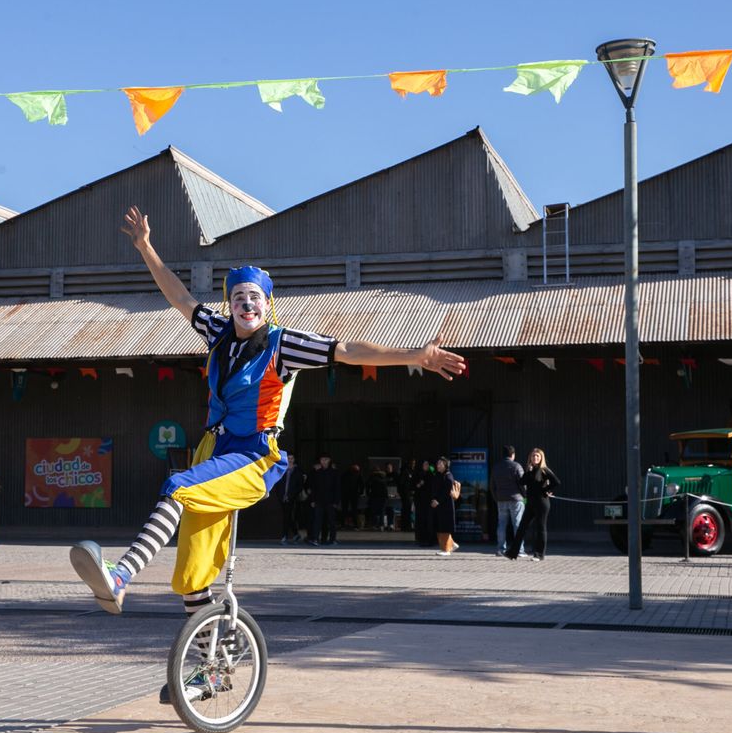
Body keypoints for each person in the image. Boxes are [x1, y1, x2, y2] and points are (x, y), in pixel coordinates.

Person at [70, 205, 464, 620]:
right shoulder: (218, 333)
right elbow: (179, 296)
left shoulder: (284, 344)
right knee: (192, 570)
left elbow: (348, 351)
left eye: (254, 297)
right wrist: (146, 247)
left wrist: (416, 354)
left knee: (177, 486)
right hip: (213, 451)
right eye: (238, 297)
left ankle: (122, 575)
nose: (246, 304)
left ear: (267, 303)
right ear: (230, 304)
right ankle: (206, 669)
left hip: (252, 456)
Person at [506, 448, 560, 561]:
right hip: (530, 503)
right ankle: (512, 553)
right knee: (522, 527)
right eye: (533, 456)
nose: (535, 458)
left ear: (541, 458)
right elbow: (522, 482)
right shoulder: (530, 470)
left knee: (540, 527)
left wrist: (546, 490)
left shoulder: (544, 470)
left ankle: (539, 555)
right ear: (530, 458)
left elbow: (556, 482)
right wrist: (528, 472)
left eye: (537, 456)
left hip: (542, 503)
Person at [490, 445, 526, 557]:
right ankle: (519, 550)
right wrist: (525, 496)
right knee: (518, 524)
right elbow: (523, 484)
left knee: (501, 524)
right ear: (513, 454)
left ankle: (500, 549)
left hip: (501, 499)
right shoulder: (516, 466)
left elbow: (492, 485)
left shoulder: (496, 467)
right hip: (516, 499)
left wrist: (496, 497)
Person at [308, 455, 341, 545]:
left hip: (331, 501)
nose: (324, 461)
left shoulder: (334, 472)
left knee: (331, 521)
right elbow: (313, 487)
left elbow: (337, 487)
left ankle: (332, 539)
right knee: (317, 521)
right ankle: (315, 539)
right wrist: (312, 500)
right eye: (322, 459)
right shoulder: (317, 472)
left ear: (329, 460)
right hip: (319, 500)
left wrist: (336, 501)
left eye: (326, 459)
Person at [430, 457, 459, 555]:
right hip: (440, 506)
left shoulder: (448, 476)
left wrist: (437, 501)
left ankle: (446, 550)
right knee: (440, 527)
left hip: (446, 506)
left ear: (445, 465)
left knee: (445, 527)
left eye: (440, 464)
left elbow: (446, 492)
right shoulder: (439, 475)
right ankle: (451, 544)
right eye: (437, 463)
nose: (438, 465)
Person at [273, 453, 303, 544]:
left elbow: (300, 485)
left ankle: (284, 536)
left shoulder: (297, 471)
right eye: (288, 458)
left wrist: (293, 495)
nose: (290, 460)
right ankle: (295, 534)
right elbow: (277, 483)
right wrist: (279, 494)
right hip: (282, 497)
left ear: (294, 459)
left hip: (292, 498)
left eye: (291, 458)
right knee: (288, 517)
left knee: (287, 517)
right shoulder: (282, 469)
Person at [413, 460, 435, 546]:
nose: (425, 466)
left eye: (427, 464)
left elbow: (433, 487)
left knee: (429, 520)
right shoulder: (418, 474)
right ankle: (421, 539)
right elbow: (413, 486)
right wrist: (418, 485)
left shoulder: (431, 475)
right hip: (420, 501)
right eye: (424, 464)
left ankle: (429, 539)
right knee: (420, 520)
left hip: (429, 501)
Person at [340, 463, 364, 530]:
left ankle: (343, 525)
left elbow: (340, 483)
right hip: (353, 494)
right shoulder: (358, 474)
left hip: (346, 494)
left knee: (345, 509)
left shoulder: (345, 474)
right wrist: (360, 492)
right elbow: (361, 484)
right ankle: (355, 525)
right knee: (353, 510)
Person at [399, 458, 417, 532]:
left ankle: (406, 526)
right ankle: (406, 526)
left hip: (409, 493)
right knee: (406, 510)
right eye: (412, 463)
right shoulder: (406, 472)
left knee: (408, 510)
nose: (413, 465)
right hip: (406, 494)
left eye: (414, 463)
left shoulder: (412, 472)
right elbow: (402, 484)